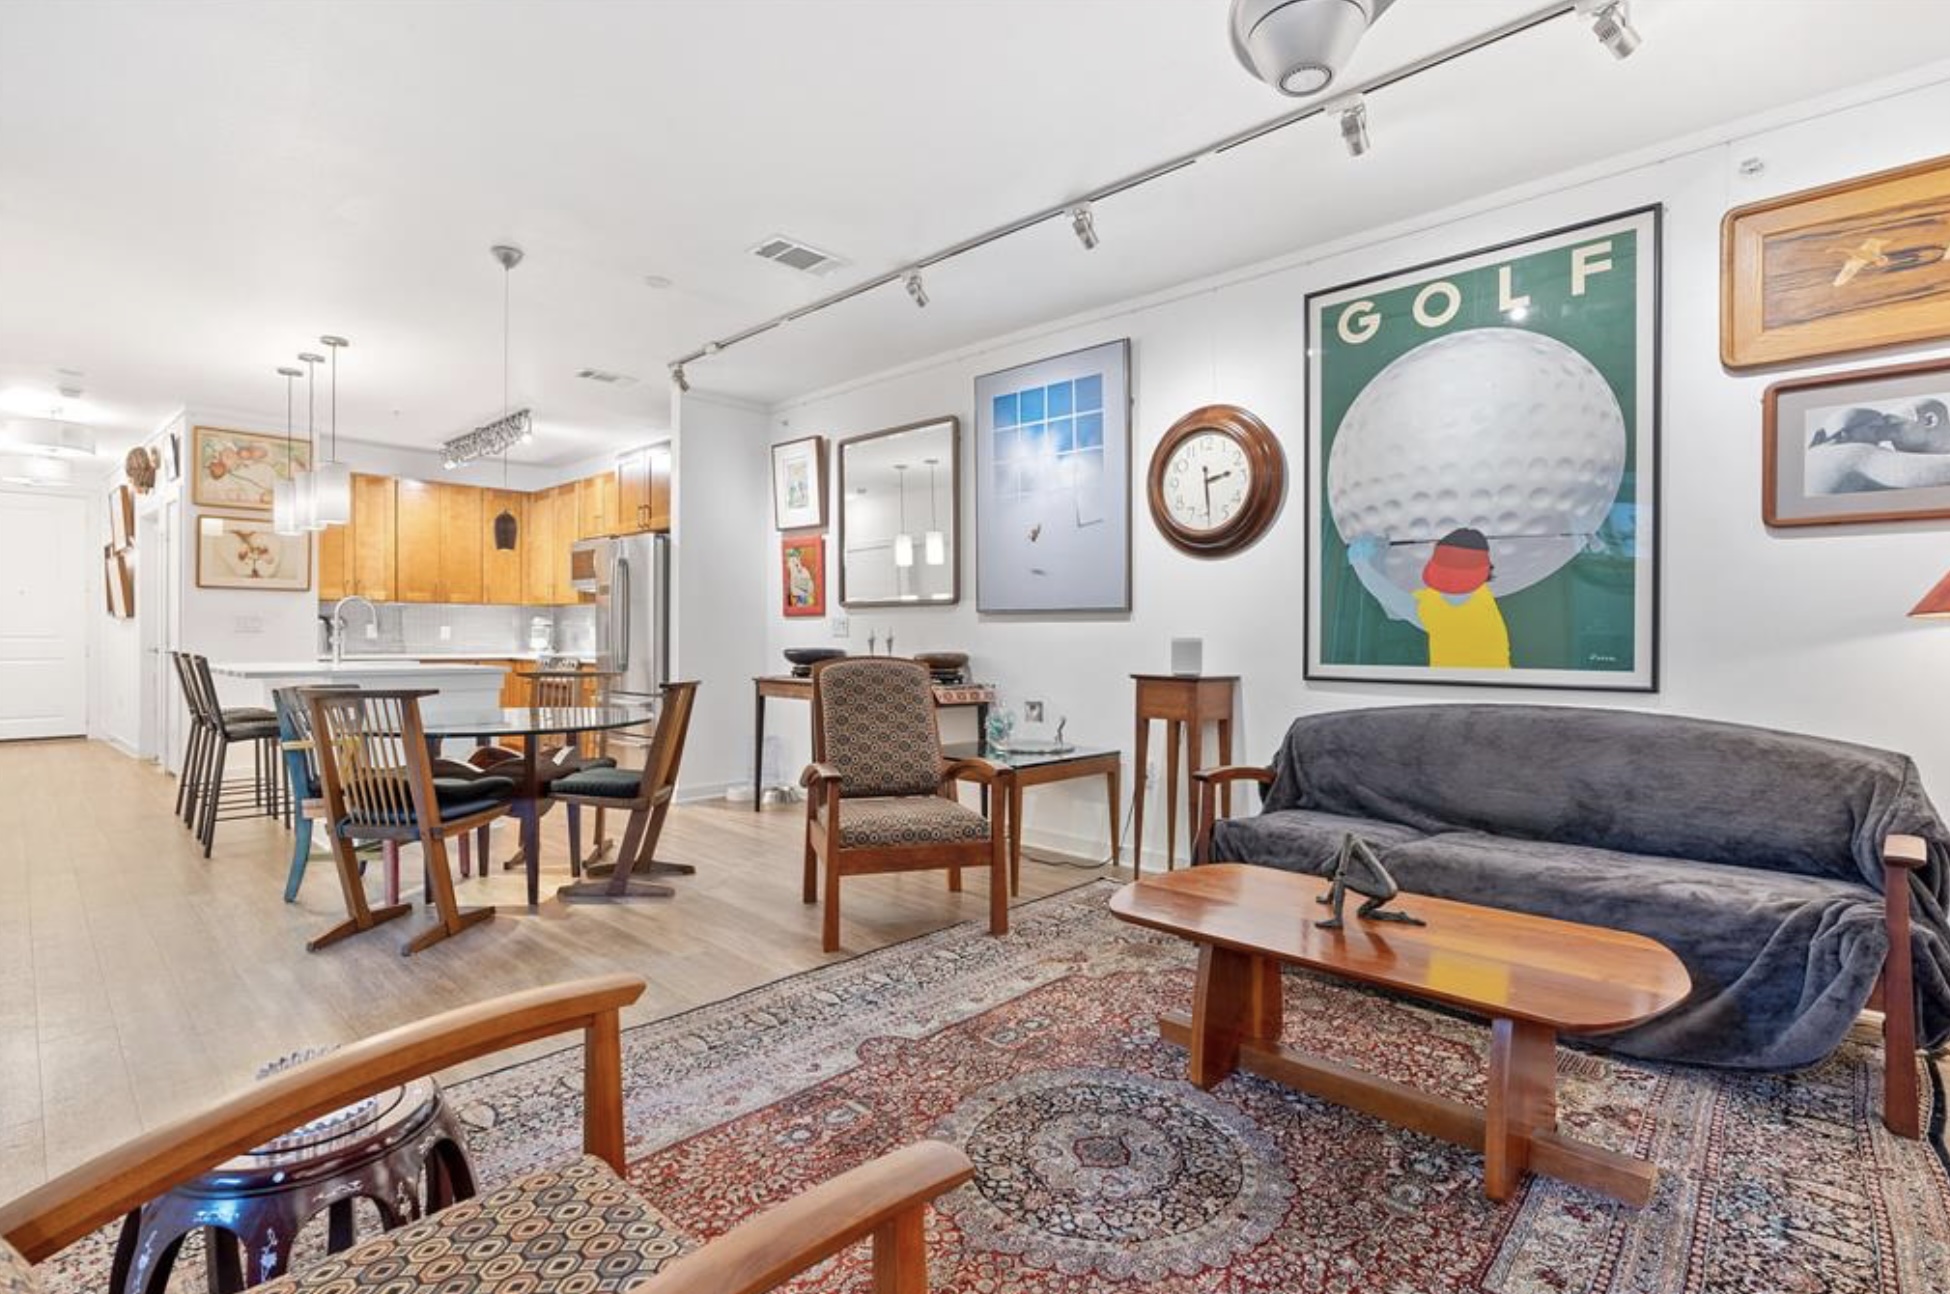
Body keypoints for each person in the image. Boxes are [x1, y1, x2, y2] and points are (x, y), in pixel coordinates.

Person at [1346, 527, 1510, 669]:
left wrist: (1360, 562)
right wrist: (1376, 563)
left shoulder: (1444, 611)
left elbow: (1395, 603)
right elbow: (1395, 611)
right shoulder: (1478, 593)